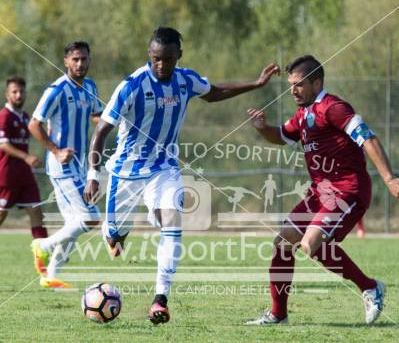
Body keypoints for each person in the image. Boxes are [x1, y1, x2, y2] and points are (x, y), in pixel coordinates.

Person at [84, 26, 280, 324]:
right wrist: (93, 174)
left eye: (168, 59)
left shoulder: (185, 80)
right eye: (156, 59)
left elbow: (214, 92)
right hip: (126, 173)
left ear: (179, 56)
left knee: (174, 223)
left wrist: (256, 84)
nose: (161, 65)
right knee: (115, 241)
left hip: (164, 168)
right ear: (149, 55)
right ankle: (117, 232)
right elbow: (102, 130)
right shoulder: (132, 85)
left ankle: (160, 300)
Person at [245, 55, 399, 325]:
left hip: (348, 190)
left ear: (317, 83)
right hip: (321, 194)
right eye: (290, 84)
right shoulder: (303, 114)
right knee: (282, 242)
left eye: (299, 84)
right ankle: (278, 314)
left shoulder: (333, 107)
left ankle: (369, 286)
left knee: (311, 245)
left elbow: (368, 138)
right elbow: (281, 136)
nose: (293, 90)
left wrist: (389, 178)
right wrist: (262, 128)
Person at [28, 41, 103, 288]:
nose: (80, 64)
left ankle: (51, 276)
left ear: (89, 60)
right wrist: (56, 150)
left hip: (81, 165)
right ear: (66, 62)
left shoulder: (90, 87)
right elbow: (34, 124)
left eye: (84, 59)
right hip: (63, 166)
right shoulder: (57, 89)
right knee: (90, 218)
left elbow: (95, 114)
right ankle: (43, 246)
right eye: (75, 59)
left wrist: (113, 120)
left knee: (74, 222)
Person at [0, 76, 48, 266]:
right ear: (7, 94)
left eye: (21, 91)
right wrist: (27, 157)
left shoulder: (25, 117)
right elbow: (3, 145)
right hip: (6, 175)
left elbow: (38, 131)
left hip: (25, 175)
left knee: (36, 212)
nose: (18, 95)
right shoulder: (3, 116)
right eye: (14, 92)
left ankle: (42, 259)